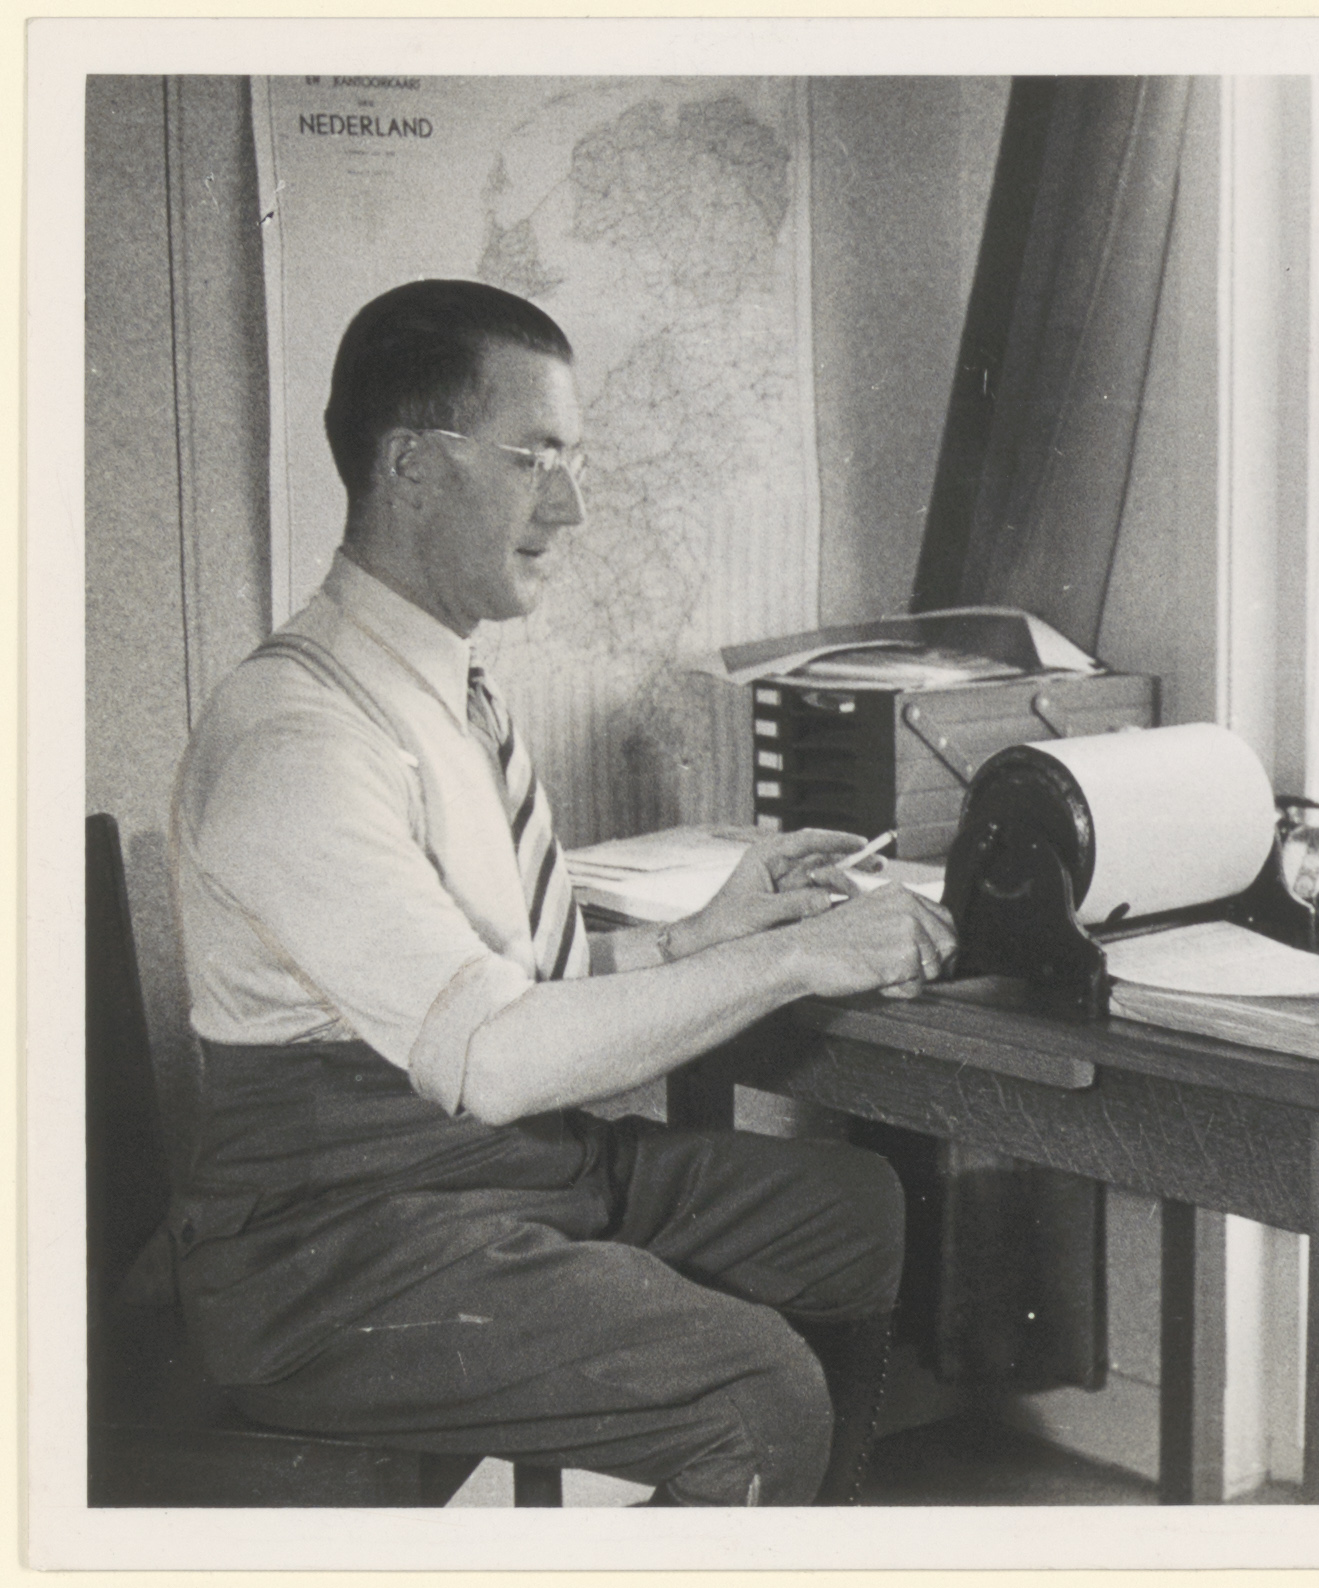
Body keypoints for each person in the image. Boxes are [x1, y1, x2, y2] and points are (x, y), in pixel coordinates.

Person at [167, 278, 959, 1506]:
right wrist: (797, 957)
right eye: (535, 458)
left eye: (572, 461)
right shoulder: (299, 739)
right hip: (333, 1252)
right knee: (754, 1388)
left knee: (850, 1212)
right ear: (412, 466)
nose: (572, 506)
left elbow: (518, 977)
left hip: (501, 1168)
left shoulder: (450, 692)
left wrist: (702, 935)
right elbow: (495, 1057)